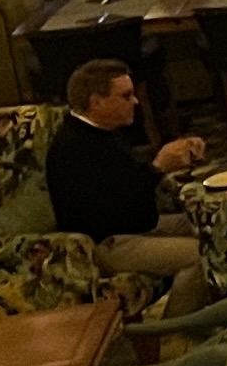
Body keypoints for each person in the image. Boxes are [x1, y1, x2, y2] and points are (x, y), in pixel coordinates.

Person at [47, 58, 206, 278]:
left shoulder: (104, 131)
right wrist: (158, 167)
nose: (136, 101)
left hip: (136, 226)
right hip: (104, 243)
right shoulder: (73, 147)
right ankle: (182, 302)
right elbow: (119, 207)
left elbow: (127, 175)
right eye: (126, 96)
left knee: (215, 223)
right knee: (205, 254)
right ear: (96, 102)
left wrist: (178, 153)